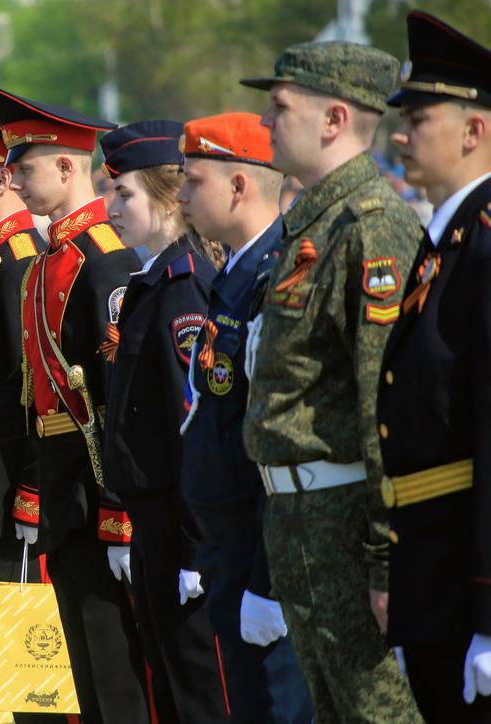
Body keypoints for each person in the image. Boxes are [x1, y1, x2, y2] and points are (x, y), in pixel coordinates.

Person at [0, 88, 150, 723]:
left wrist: (116, 516)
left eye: (25, 168)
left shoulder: (102, 263)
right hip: (64, 497)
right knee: (80, 675)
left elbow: (117, 403)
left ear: (64, 167)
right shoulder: (51, 262)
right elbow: (29, 394)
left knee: (115, 679)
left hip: (94, 496)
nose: (15, 180)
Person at [239, 42, 423, 722]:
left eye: (280, 106)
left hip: (344, 522)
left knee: (378, 713)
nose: (266, 121)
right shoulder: (312, 225)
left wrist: (384, 559)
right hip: (298, 519)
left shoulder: (371, 227)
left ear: (334, 119)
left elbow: (385, 403)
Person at [175, 112, 314, 723]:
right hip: (226, 544)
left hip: (258, 552)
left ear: (238, 186)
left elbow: (285, 443)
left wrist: (268, 581)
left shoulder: (275, 273)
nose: (181, 196)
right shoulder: (237, 270)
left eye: (193, 181)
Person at [378, 12, 491, 723]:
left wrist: (489, 611)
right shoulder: (448, 238)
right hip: (432, 573)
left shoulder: (482, 242)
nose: (400, 135)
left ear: (474, 131)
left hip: (462, 582)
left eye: (418, 120)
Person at [97, 120, 230, 723]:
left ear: (169, 196)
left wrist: (193, 550)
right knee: (171, 693)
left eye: (124, 194)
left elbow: (193, 428)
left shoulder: (183, 287)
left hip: (181, 530)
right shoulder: (156, 279)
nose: (112, 208)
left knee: (200, 695)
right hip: (154, 523)